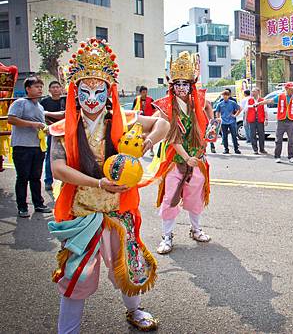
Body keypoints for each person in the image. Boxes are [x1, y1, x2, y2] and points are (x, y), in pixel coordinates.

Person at [47, 38, 169, 332]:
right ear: (75, 94)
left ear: (109, 92)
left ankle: (134, 311)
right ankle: (68, 329)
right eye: (85, 92)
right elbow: (58, 169)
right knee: (77, 274)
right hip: (82, 213)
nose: (92, 99)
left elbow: (163, 123)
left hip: (119, 212)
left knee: (126, 265)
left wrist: (144, 144)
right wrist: (98, 182)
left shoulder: (125, 120)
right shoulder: (64, 129)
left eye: (99, 91)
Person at [152, 51, 214, 254]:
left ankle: (196, 229)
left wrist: (211, 128)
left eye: (184, 84)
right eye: (177, 84)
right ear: (172, 86)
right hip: (175, 159)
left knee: (195, 196)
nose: (180, 88)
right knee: (170, 197)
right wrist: (186, 157)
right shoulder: (165, 107)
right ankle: (167, 236)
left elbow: (209, 110)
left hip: (196, 158)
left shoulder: (198, 102)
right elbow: (171, 136)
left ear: (190, 85)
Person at [7, 76, 53, 217]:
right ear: (28, 89)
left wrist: (45, 128)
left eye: (40, 86)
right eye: (36, 86)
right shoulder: (20, 103)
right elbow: (11, 119)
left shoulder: (40, 107)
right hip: (22, 146)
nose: (40, 89)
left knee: (36, 177)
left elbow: (40, 124)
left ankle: (38, 203)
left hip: (37, 146)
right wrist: (33, 124)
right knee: (22, 177)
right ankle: (22, 207)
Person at [257, 82, 293, 163]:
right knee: (278, 140)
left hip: (291, 121)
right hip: (281, 121)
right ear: (286, 89)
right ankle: (277, 156)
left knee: (291, 140)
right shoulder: (280, 96)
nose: (292, 90)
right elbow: (270, 101)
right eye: (291, 89)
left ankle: (291, 156)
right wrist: (259, 103)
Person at [40, 80, 66, 191]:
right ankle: (48, 181)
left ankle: (67, 181)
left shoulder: (65, 100)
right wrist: (49, 123)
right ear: (49, 90)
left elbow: (65, 114)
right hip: (52, 133)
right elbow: (40, 115)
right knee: (50, 157)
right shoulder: (44, 102)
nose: (55, 89)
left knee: (68, 157)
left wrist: (48, 114)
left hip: (65, 132)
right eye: (53, 87)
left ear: (61, 89)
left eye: (57, 87)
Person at [214, 90, 241, 154]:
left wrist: (235, 115)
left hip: (232, 121)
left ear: (228, 96)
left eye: (226, 95)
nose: (225, 97)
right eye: (223, 95)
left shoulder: (232, 102)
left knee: (234, 135)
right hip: (223, 122)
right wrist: (218, 118)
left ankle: (236, 149)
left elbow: (239, 108)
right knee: (224, 136)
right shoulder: (220, 104)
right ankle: (226, 149)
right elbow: (217, 112)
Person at [246, 87, 268, 155]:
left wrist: (266, 119)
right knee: (252, 135)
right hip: (252, 119)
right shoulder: (249, 100)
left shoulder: (262, 100)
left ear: (258, 92)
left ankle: (262, 149)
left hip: (260, 119)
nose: (252, 93)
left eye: (254, 91)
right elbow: (246, 110)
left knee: (261, 135)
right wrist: (246, 119)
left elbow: (265, 111)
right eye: (252, 91)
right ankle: (255, 149)